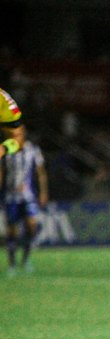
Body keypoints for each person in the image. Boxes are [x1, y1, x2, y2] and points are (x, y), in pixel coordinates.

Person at [1, 88, 47, 277]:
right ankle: (12, 263)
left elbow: (40, 172)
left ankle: (25, 260)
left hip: (26, 195)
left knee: (31, 225)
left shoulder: (31, 151)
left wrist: (43, 192)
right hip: (11, 195)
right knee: (12, 229)